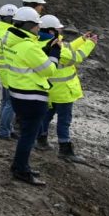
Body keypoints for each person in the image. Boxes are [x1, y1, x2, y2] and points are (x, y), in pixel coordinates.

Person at [0, 6, 61, 185]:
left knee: (26, 132)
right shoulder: (28, 47)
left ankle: (19, 165)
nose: (37, 28)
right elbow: (49, 70)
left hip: (17, 93)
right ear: (28, 26)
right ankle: (21, 170)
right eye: (36, 25)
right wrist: (55, 52)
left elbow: (29, 60)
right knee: (28, 135)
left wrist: (44, 51)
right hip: (32, 96)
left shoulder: (11, 40)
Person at [35, 16, 97, 163]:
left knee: (46, 116)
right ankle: (65, 149)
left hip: (50, 90)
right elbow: (75, 57)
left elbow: (68, 48)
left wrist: (82, 39)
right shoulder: (55, 47)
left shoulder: (41, 42)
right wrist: (90, 44)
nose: (61, 29)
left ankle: (41, 140)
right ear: (51, 30)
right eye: (58, 28)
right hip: (62, 91)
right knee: (64, 120)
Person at [0, 3, 19, 140]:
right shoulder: (9, 34)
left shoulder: (0, 30)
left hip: (4, 71)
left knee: (6, 101)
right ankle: (4, 130)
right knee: (11, 103)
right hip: (10, 71)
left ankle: (6, 127)